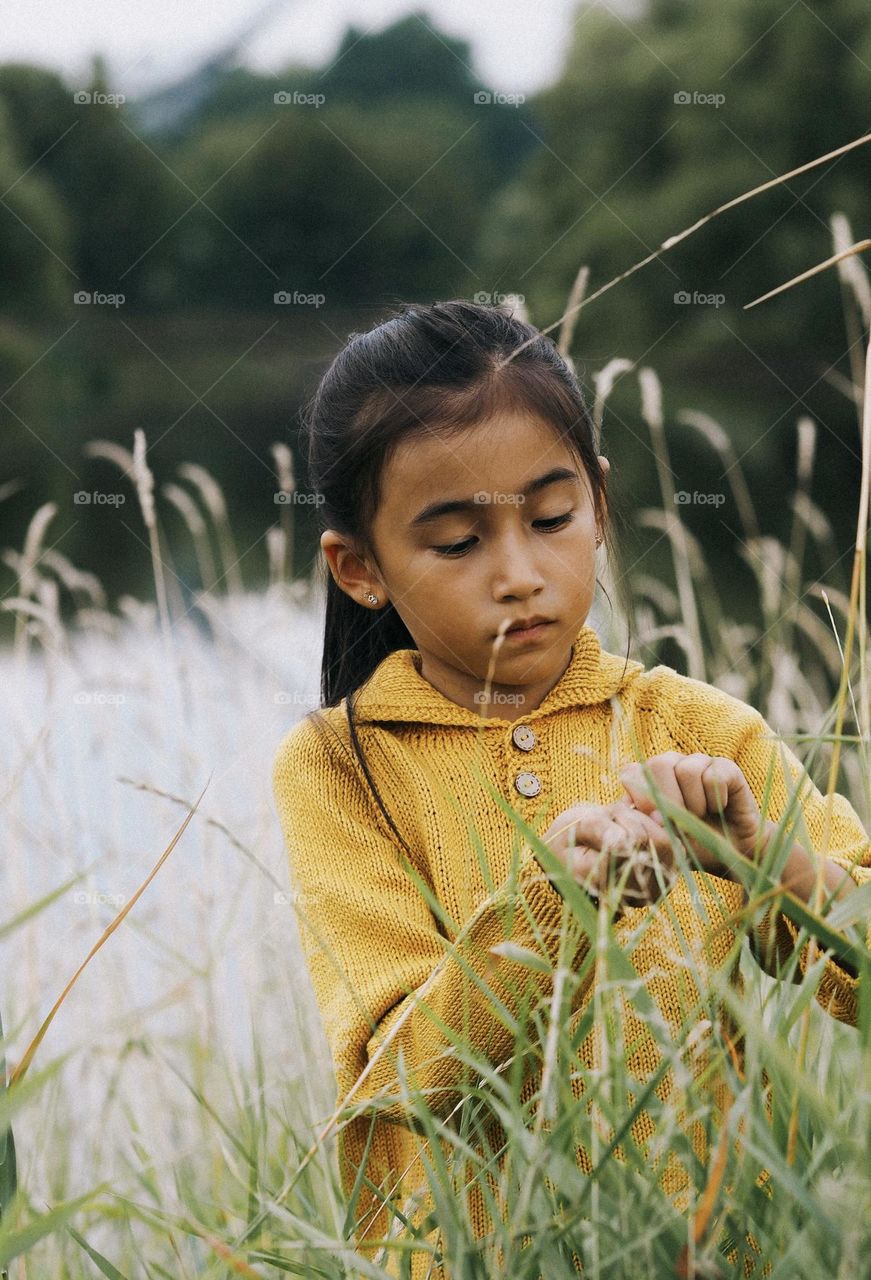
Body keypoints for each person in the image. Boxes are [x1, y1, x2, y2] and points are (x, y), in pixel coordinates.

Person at [271, 299, 870, 1279]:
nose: (519, 574)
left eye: (550, 518)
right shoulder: (341, 768)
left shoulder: (699, 731)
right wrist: (554, 901)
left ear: (596, 503)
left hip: (714, 1253)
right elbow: (403, 1075)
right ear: (360, 568)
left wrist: (765, 860)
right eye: (456, 543)